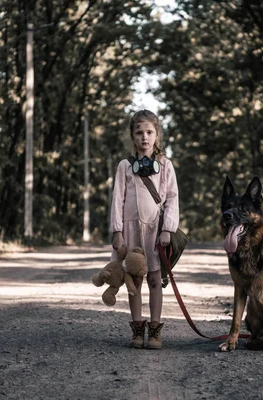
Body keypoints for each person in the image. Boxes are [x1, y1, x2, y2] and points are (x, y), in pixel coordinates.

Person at [109, 109, 179, 349]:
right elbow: (117, 199)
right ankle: (137, 329)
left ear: (157, 135)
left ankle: (155, 331)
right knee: (134, 279)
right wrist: (117, 232)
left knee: (155, 280)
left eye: (149, 132)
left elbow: (172, 198)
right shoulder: (124, 166)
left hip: (155, 232)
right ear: (133, 136)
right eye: (139, 132)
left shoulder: (165, 165)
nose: (144, 137)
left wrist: (168, 229)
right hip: (130, 231)